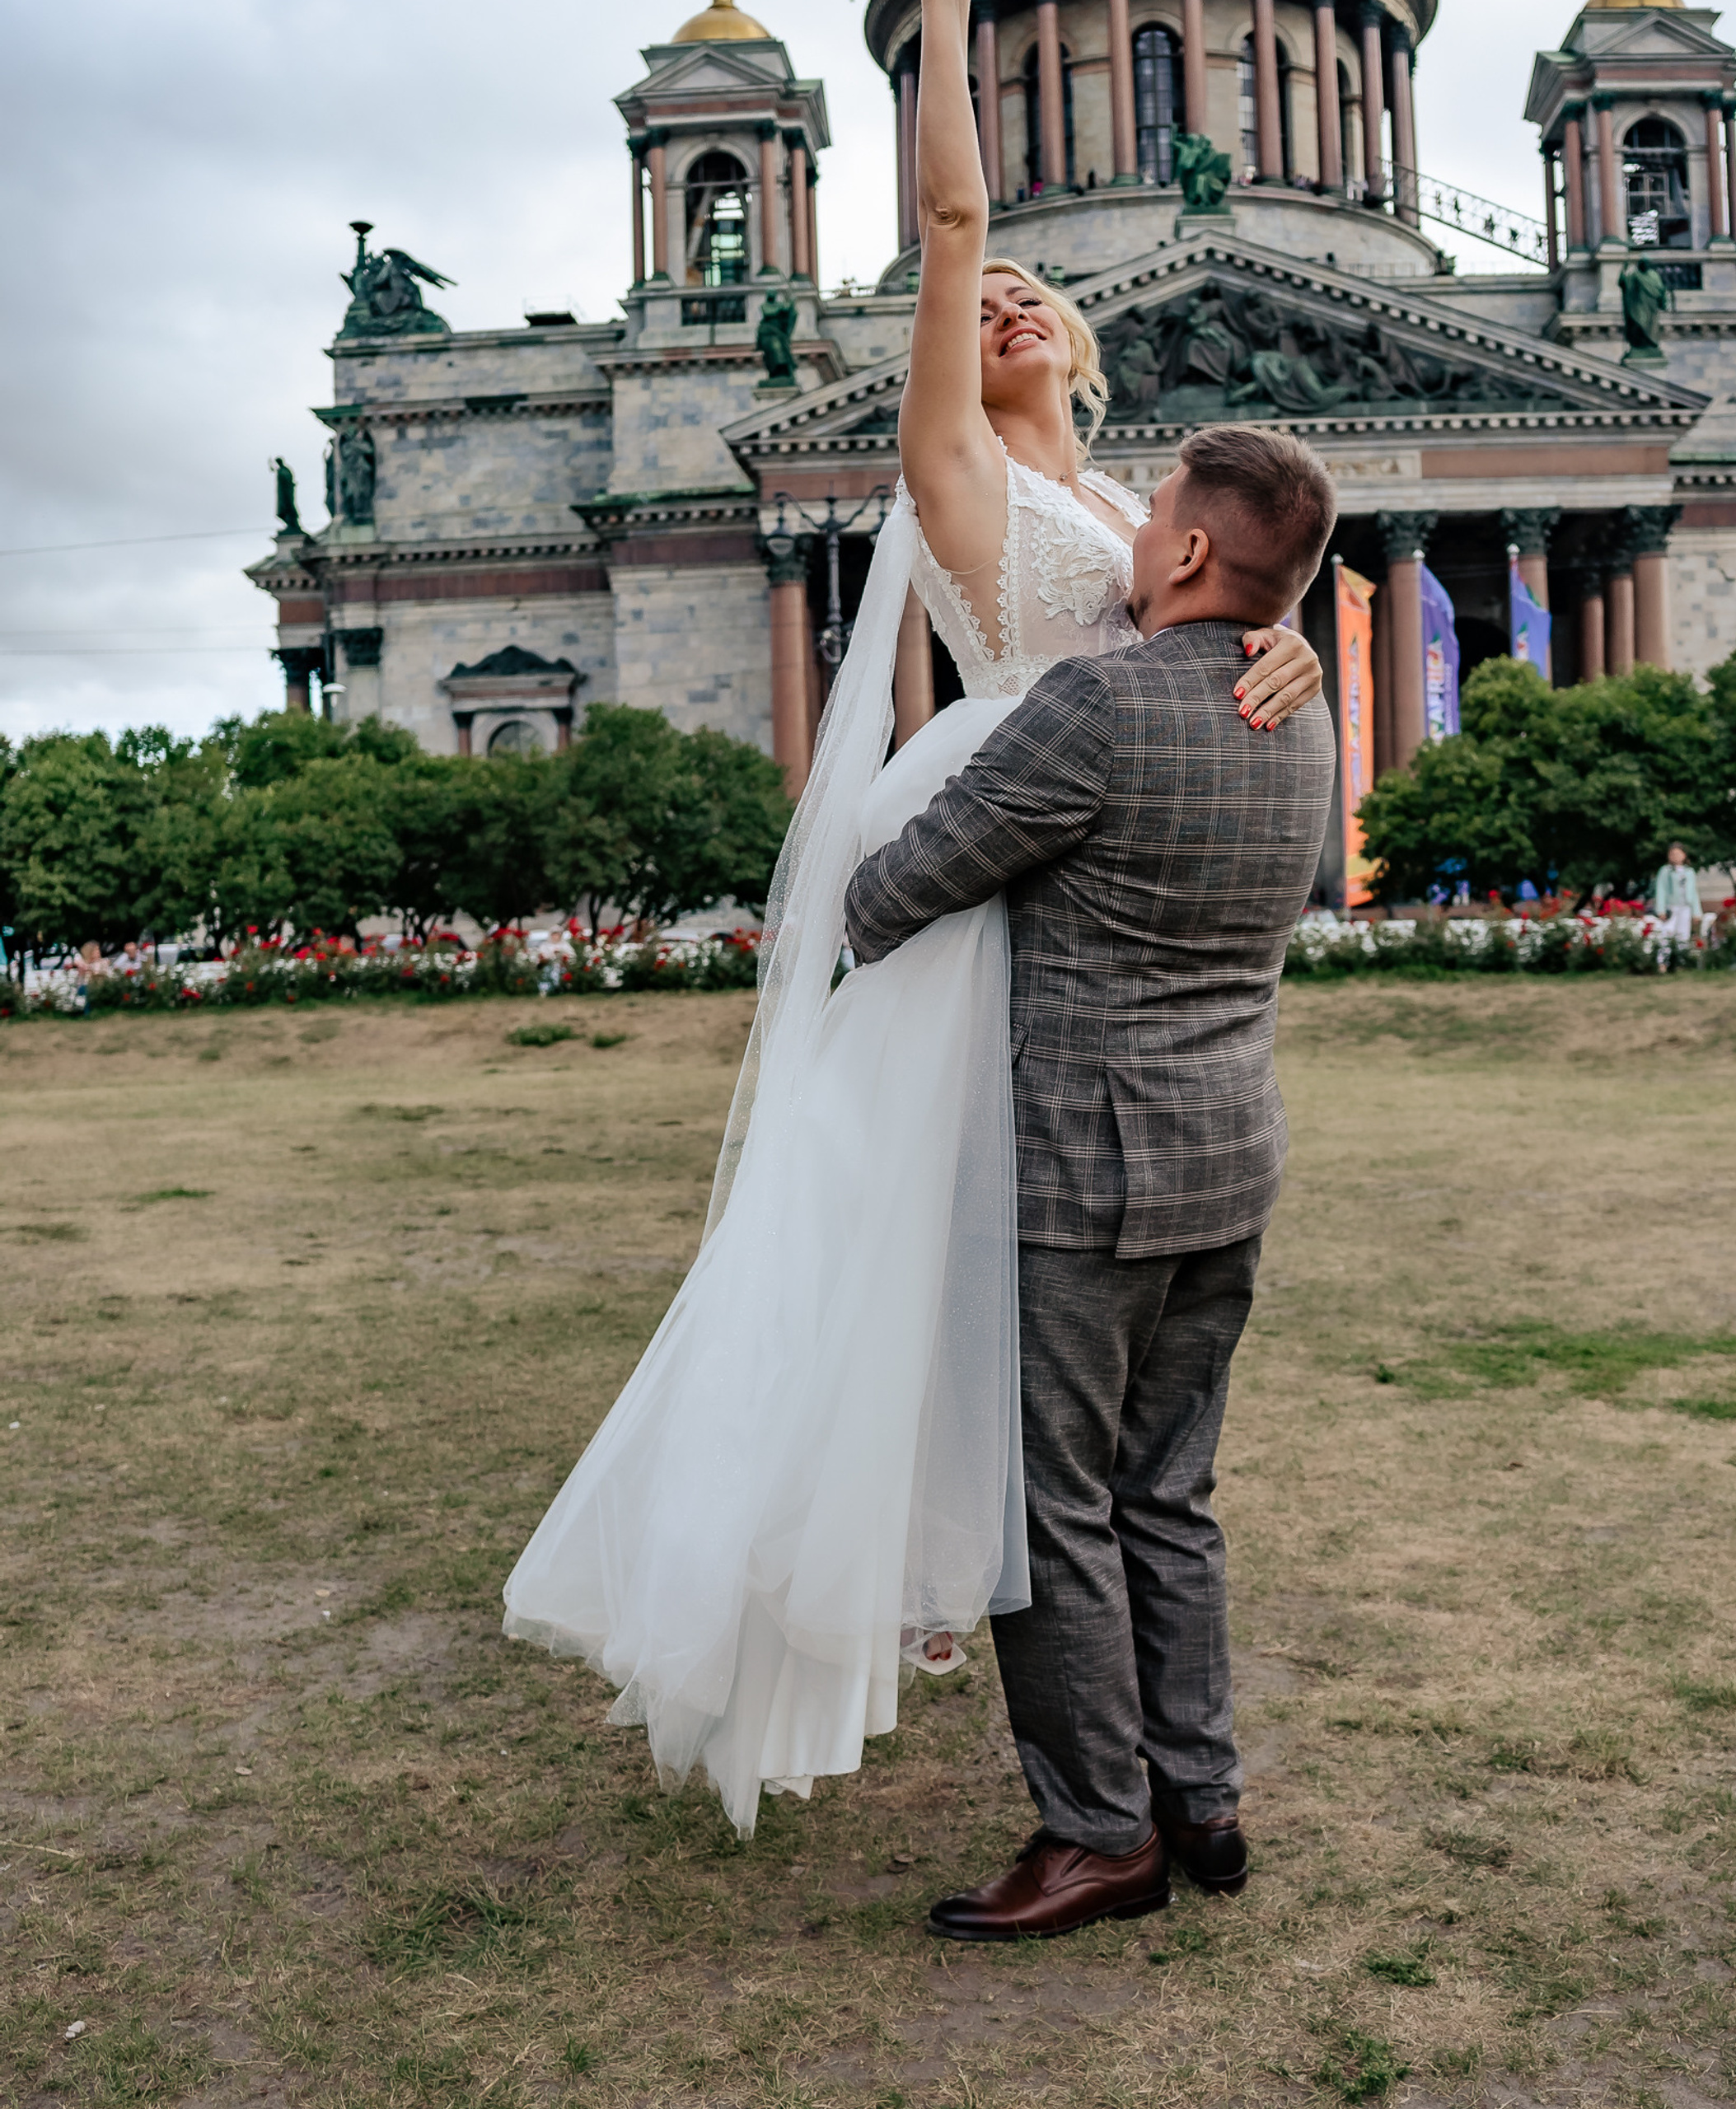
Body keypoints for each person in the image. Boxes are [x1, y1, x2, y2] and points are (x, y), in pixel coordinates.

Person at [498, 0, 1324, 1840]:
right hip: (994, 883)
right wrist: (941, 21)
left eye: (1037, 295)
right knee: (942, 1307)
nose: (1007, 296)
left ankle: (1123, 1784)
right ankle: (1084, 1755)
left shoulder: (1131, 512)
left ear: (1090, 352)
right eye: (987, 294)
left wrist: (1284, 648)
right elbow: (953, 219)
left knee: (1015, 1359)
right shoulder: (957, 467)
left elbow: (1223, 591)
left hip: (1084, 910)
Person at [847, 423, 1337, 1941]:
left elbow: (898, 890)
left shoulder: (1096, 706)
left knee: (1053, 1507)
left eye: (1152, 512)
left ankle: (1099, 1836)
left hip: (1082, 1179)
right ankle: (1202, 1800)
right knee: (1166, 1496)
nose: (1128, 528)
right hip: (1228, 1159)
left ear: (1187, 551)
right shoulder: (1301, 709)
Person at [1651, 840, 1701, 970]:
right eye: (1672, 854)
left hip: (1685, 907)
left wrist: (1696, 912)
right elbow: (1661, 890)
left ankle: (1681, 962)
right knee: (1667, 933)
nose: (1675, 857)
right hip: (1671, 907)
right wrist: (1661, 909)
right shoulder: (1665, 871)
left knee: (1683, 935)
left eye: (1678, 854)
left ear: (1684, 855)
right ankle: (1663, 962)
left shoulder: (1689, 872)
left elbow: (1694, 893)